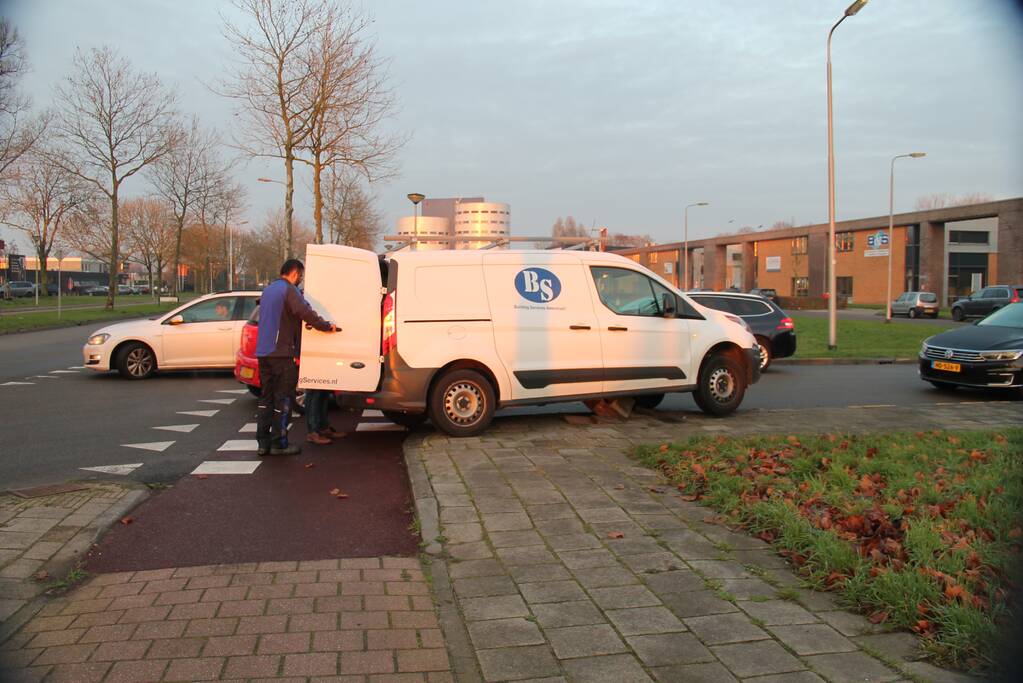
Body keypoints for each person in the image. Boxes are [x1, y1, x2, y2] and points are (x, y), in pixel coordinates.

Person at [255, 259, 336, 456]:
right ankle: (279, 443)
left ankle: (263, 443)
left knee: (266, 399)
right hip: (281, 353)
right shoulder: (289, 290)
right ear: (294, 273)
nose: (300, 279)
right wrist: (326, 326)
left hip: (263, 353)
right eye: (300, 275)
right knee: (283, 399)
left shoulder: (269, 289)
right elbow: (304, 312)